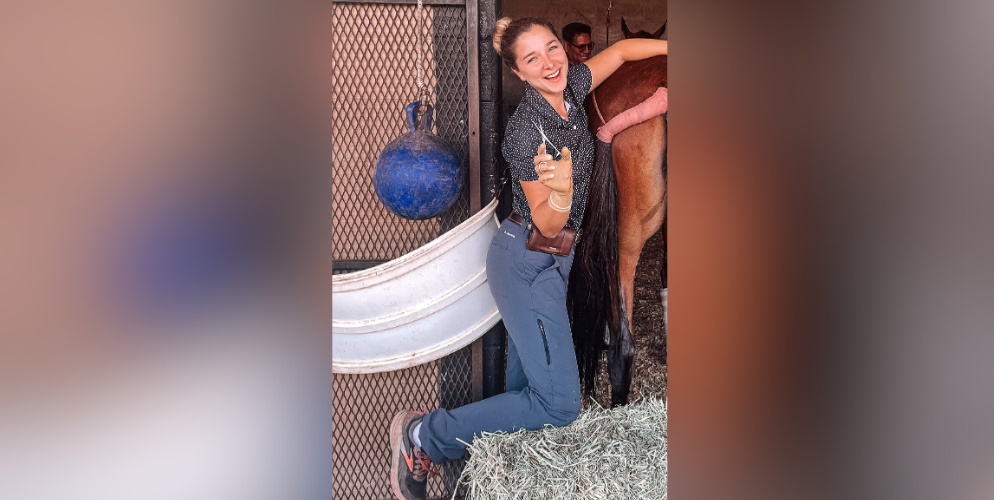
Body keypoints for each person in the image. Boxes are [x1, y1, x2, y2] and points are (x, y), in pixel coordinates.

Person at [388, 16, 668, 500]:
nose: (549, 61)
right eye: (532, 58)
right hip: (528, 261)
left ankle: (499, 472)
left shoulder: (573, 84)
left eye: (552, 48)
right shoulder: (525, 134)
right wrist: (560, 194)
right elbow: (549, 224)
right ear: (519, 73)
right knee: (559, 407)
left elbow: (621, 54)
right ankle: (423, 436)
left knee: (526, 392)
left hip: (551, 265)